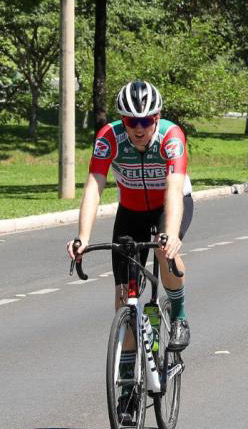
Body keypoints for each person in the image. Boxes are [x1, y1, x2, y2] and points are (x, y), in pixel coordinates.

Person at [67, 81, 193, 425]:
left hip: (170, 205)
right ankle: (127, 392)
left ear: (157, 117)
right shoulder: (109, 137)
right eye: (131, 121)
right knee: (125, 300)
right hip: (131, 211)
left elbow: (173, 188)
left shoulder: (171, 136)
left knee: (167, 253)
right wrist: (82, 237)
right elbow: (95, 184)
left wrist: (170, 233)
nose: (138, 129)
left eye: (146, 121)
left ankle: (179, 314)